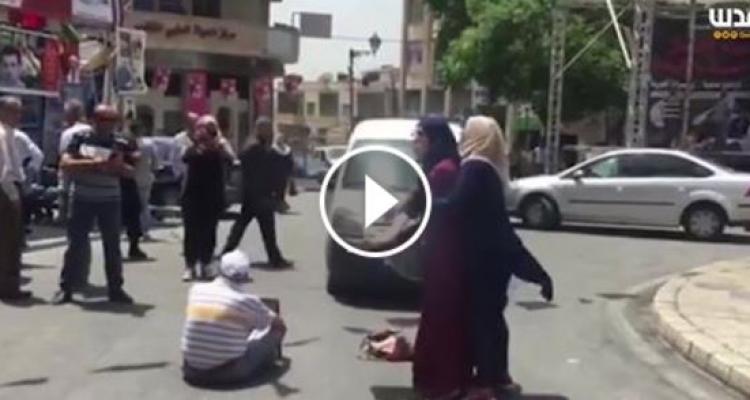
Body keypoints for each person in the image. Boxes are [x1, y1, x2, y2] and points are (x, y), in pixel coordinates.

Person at [442, 116, 554, 400]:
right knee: (492, 320)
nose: (461, 138)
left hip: (479, 260)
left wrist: (428, 204)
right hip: (493, 259)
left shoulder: (475, 168)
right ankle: (498, 377)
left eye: (467, 133)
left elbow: (457, 206)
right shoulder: (491, 168)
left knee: (481, 321)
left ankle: (484, 385)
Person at [52, 104, 135, 305]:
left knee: (112, 245)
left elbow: (131, 171)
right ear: (93, 120)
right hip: (82, 197)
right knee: (76, 244)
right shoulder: (81, 139)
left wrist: (118, 167)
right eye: (104, 120)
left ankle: (115, 288)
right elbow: (66, 163)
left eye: (112, 120)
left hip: (110, 199)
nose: (108, 125)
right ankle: (66, 288)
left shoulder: (121, 142)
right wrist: (95, 164)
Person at [181, 250, 286, 386]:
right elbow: (278, 324)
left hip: (191, 370)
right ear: (246, 275)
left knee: (225, 324)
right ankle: (268, 360)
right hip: (229, 372)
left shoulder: (196, 289)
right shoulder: (246, 301)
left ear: (220, 269)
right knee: (276, 331)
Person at [221, 118, 292, 269]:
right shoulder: (255, 147)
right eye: (267, 129)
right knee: (261, 227)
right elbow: (259, 168)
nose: (270, 132)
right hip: (257, 194)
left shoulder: (260, 146)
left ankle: (228, 253)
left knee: (247, 226)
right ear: (260, 130)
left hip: (258, 194)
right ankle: (274, 259)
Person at [181, 115, 234, 281]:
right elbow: (185, 158)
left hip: (212, 197)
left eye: (211, 132)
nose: (206, 137)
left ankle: (206, 263)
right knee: (191, 232)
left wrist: (219, 146)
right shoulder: (192, 148)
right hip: (192, 197)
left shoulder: (221, 148)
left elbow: (231, 160)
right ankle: (190, 266)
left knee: (209, 232)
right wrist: (199, 146)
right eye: (203, 132)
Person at [0, 97, 31, 300]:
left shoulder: (10, 133)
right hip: (6, 190)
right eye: (14, 111)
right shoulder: (3, 134)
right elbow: (5, 170)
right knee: (10, 242)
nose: (18, 116)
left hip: (9, 188)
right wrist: (13, 196)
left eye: (19, 112)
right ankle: (9, 287)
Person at [57, 100, 93, 224]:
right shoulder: (92, 130)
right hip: (90, 179)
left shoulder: (68, 133)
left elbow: (63, 154)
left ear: (71, 114)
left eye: (66, 113)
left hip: (70, 177)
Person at [132, 123, 159, 240]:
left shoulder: (128, 143)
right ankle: (145, 231)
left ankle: (133, 230)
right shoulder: (149, 144)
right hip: (145, 177)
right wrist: (153, 172)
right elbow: (155, 162)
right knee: (144, 205)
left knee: (132, 206)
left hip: (130, 178)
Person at [272, 134, 297, 214]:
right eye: (278, 138)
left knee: (282, 189)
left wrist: (291, 172)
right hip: (274, 173)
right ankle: (276, 205)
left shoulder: (287, 149)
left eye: (281, 138)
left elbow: (290, 161)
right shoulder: (273, 149)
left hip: (284, 173)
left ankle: (280, 205)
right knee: (275, 190)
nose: (280, 140)